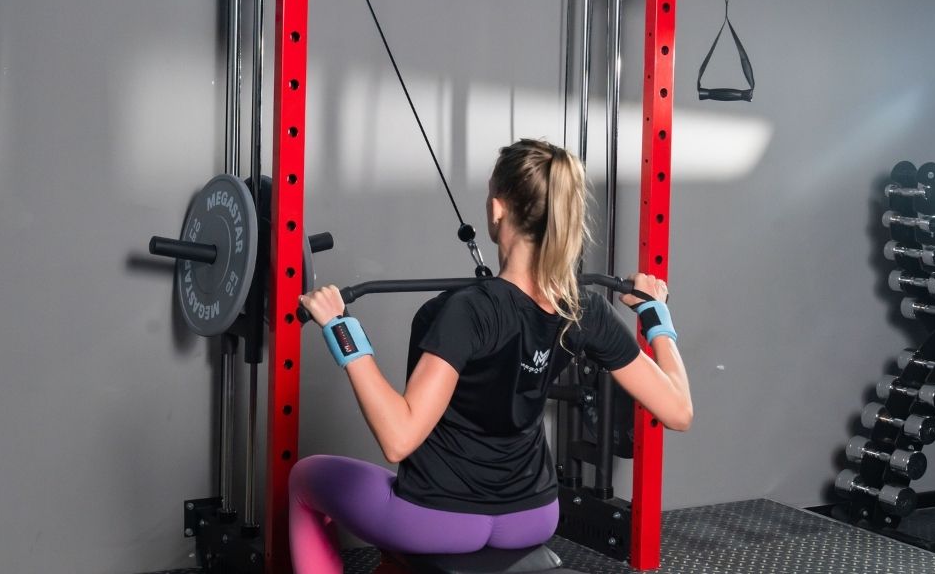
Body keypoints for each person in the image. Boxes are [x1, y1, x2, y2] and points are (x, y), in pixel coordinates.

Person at [293, 139, 691, 574]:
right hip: (534, 516)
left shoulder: (467, 310)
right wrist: (656, 316)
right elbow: (679, 411)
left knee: (302, 479)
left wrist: (341, 329)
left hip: (438, 520)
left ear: (498, 209)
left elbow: (398, 438)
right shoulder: (585, 308)